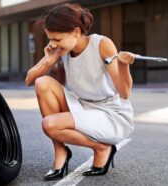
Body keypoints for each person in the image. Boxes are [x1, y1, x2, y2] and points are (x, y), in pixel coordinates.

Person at [25, 3, 135, 181]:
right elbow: (29, 80)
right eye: (50, 39)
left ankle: (102, 148)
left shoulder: (102, 44)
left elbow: (124, 94)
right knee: (42, 82)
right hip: (83, 106)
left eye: (57, 39)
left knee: (50, 124)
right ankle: (60, 152)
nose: (53, 44)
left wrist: (123, 66)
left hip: (109, 113)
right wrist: (48, 60)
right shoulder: (63, 50)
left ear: (76, 32)